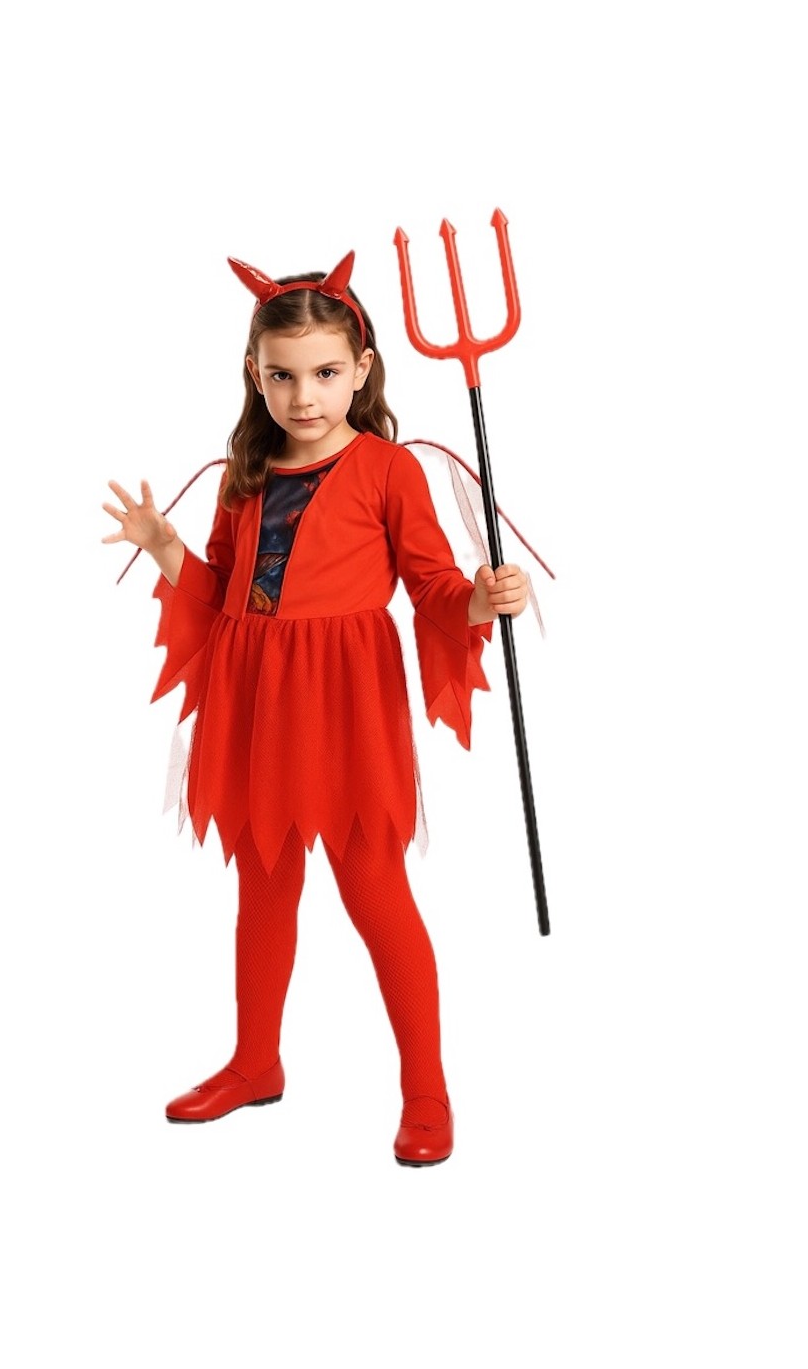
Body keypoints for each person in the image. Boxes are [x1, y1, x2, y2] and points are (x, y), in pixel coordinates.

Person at [101, 251, 529, 1166]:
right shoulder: (245, 471)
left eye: (326, 373)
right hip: (257, 697)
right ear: (254, 374)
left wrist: (478, 600)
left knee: (375, 889)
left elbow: (431, 587)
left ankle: (427, 1091)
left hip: (345, 700)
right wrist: (166, 547)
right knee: (264, 883)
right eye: (283, 376)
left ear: (362, 370)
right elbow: (225, 596)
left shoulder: (387, 471)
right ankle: (255, 1063)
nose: (304, 397)